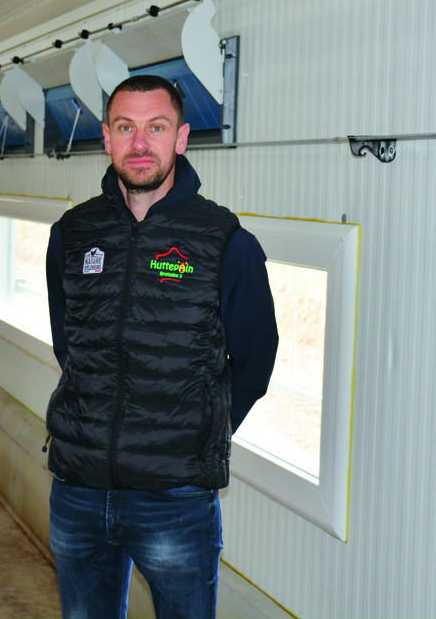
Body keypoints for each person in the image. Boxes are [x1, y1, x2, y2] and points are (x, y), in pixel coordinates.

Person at [44, 74, 278, 618]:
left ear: (181, 138)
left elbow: (254, 362)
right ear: (106, 138)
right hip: (78, 490)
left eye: (156, 127)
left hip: (175, 501)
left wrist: (196, 437)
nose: (140, 143)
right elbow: (69, 344)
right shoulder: (73, 234)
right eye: (126, 127)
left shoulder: (225, 242)